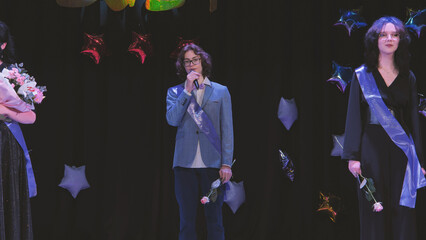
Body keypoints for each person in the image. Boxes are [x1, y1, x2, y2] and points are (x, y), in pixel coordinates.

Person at [342, 16, 426, 240]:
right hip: (371, 151)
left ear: (401, 40)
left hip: (402, 153)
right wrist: (353, 156)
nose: (389, 38)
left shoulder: (409, 77)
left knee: (403, 211)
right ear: (374, 40)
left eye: (395, 34)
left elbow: (414, 121)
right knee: (374, 211)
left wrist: (420, 159)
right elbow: (353, 117)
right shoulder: (362, 76)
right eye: (384, 34)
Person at [166, 43, 233, 240]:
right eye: (187, 62)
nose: (191, 65)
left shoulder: (221, 91)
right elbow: (172, 120)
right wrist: (186, 91)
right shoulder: (175, 92)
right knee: (186, 220)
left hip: (212, 164)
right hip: (184, 165)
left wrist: (226, 163)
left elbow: (227, 130)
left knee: (214, 219)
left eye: (195, 60)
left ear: (202, 61)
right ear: (183, 66)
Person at [0, 21, 37, 240]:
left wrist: (6, 110)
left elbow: (31, 116)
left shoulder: (14, 76)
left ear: (3, 45)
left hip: (6, 148)